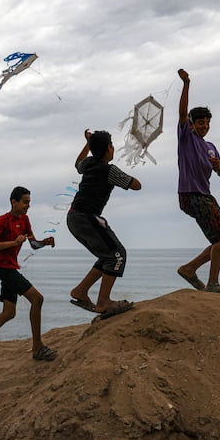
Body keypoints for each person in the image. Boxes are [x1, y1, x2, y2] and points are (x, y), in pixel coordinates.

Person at [0, 186, 58, 364]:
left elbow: (33, 245)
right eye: (25, 202)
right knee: (37, 299)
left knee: (9, 313)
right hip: (3, 268)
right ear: (13, 202)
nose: (28, 206)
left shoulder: (25, 220)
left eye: (29, 202)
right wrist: (13, 242)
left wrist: (44, 243)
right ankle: (38, 347)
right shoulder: (3, 220)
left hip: (10, 268)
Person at [67, 129, 142, 319]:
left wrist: (88, 143)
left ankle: (80, 291)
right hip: (85, 218)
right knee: (117, 255)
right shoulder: (109, 170)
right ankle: (103, 302)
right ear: (109, 148)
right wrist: (126, 176)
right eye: (111, 145)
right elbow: (136, 185)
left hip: (76, 217)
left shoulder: (89, 164)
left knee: (108, 255)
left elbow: (77, 164)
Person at [175, 68, 220, 293]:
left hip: (205, 195)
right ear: (192, 124)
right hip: (191, 195)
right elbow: (182, 113)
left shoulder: (211, 147)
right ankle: (212, 284)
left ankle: (189, 269)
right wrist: (186, 84)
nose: (205, 126)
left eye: (207, 123)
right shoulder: (186, 138)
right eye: (201, 123)